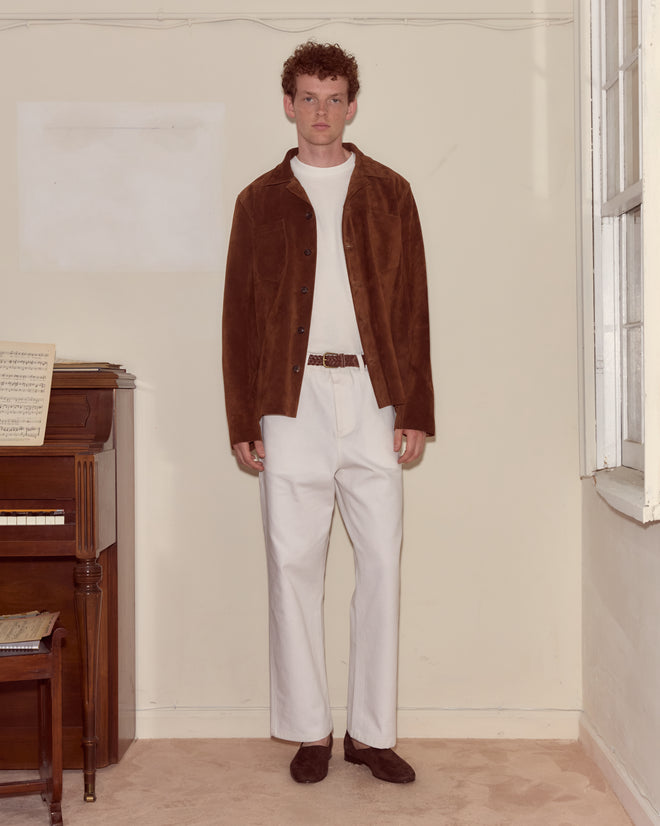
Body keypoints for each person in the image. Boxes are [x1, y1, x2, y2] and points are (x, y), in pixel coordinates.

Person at [222, 41, 434, 784]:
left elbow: (412, 310)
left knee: (380, 563)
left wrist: (416, 408)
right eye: (307, 97)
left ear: (352, 105)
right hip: (289, 402)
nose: (320, 111)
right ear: (288, 104)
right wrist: (243, 419)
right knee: (292, 564)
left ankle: (372, 735)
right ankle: (311, 730)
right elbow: (239, 319)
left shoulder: (390, 192)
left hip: (374, 401)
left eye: (333, 96)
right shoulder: (258, 201)